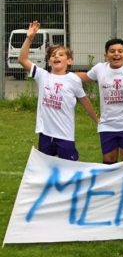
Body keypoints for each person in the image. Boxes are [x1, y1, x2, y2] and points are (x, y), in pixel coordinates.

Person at [19, 21, 99, 161]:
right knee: (46, 170)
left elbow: (85, 101)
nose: (56, 57)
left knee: (69, 170)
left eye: (61, 55)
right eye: (53, 55)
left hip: (65, 135)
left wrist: (98, 121)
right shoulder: (42, 76)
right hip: (45, 134)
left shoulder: (73, 80)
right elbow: (22, 59)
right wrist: (29, 38)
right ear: (49, 62)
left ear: (69, 61)